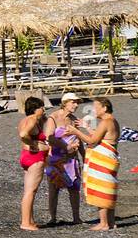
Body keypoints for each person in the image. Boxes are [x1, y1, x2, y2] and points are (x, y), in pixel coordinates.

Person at [77, 97, 121, 230]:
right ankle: (111, 222)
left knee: (100, 188)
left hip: (103, 161)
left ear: (104, 108)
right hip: (109, 158)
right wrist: (87, 128)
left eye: (96, 107)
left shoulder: (106, 121)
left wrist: (76, 132)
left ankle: (104, 223)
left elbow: (92, 141)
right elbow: (101, 138)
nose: (93, 110)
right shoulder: (112, 121)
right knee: (108, 188)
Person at [44, 93, 83, 225]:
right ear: (65, 102)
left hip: (72, 159)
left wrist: (84, 157)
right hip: (56, 159)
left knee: (74, 188)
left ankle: (76, 217)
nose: (76, 105)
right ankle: (53, 218)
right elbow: (49, 137)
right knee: (54, 189)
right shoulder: (53, 117)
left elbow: (80, 139)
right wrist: (66, 146)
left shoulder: (74, 119)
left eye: (77, 102)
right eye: (73, 102)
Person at [18, 96, 51, 231]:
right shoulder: (32, 120)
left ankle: (29, 220)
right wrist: (33, 144)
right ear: (35, 109)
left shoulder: (26, 120)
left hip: (26, 157)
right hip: (34, 157)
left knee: (29, 191)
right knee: (30, 191)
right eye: (41, 107)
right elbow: (23, 134)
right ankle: (25, 223)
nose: (43, 109)